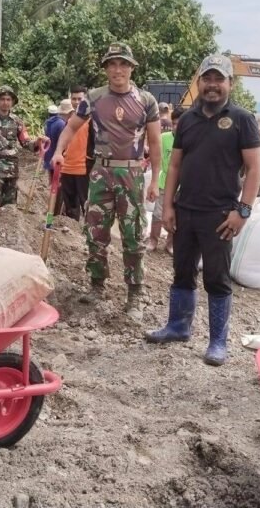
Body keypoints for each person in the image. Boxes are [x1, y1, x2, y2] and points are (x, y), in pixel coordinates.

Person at [145, 55, 260, 366]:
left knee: (217, 278)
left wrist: (243, 211)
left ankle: (217, 342)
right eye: (206, 79)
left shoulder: (242, 119)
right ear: (199, 83)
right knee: (181, 272)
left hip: (221, 215)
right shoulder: (189, 119)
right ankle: (177, 327)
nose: (212, 85)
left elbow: (254, 169)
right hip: (185, 211)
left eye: (218, 79)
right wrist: (168, 205)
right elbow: (175, 166)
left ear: (229, 84)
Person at [51, 42, 161, 319]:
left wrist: (154, 180)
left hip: (133, 174)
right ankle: (97, 284)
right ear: (105, 69)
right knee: (95, 232)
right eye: (112, 64)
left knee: (133, 234)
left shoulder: (146, 101)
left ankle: (135, 291)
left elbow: (156, 143)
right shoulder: (94, 97)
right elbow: (72, 127)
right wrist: (58, 151)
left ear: (132, 67)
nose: (117, 69)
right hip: (101, 173)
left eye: (123, 63)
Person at [0, 86, 45, 206]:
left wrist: (37, 142)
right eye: (2, 99)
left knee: (10, 207)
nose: (5, 102)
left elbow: (26, 142)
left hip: (11, 168)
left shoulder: (16, 121)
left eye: (8, 99)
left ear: (12, 102)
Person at [147, 105, 184, 254]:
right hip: (164, 183)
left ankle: (170, 244)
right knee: (157, 213)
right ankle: (152, 240)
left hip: (182, 187)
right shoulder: (164, 138)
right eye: (174, 123)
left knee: (177, 216)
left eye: (180, 124)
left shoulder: (191, 141)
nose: (176, 127)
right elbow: (156, 158)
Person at [59, 96, 91, 221]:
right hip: (67, 168)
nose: (77, 102)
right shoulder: (68, 122)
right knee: (70, 208)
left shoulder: (91, 121)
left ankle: (88, 235)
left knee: (86, 205)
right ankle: (71, 234)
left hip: (83, 168)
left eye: (80, 99)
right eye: (74, 98)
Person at [43, 104, 65, 184]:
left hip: (49, 153)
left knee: (52, 179)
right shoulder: (61, 123)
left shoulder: (47, 123)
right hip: (58, 154)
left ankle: (52, 195)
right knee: (59, 180)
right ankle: (56, 195)